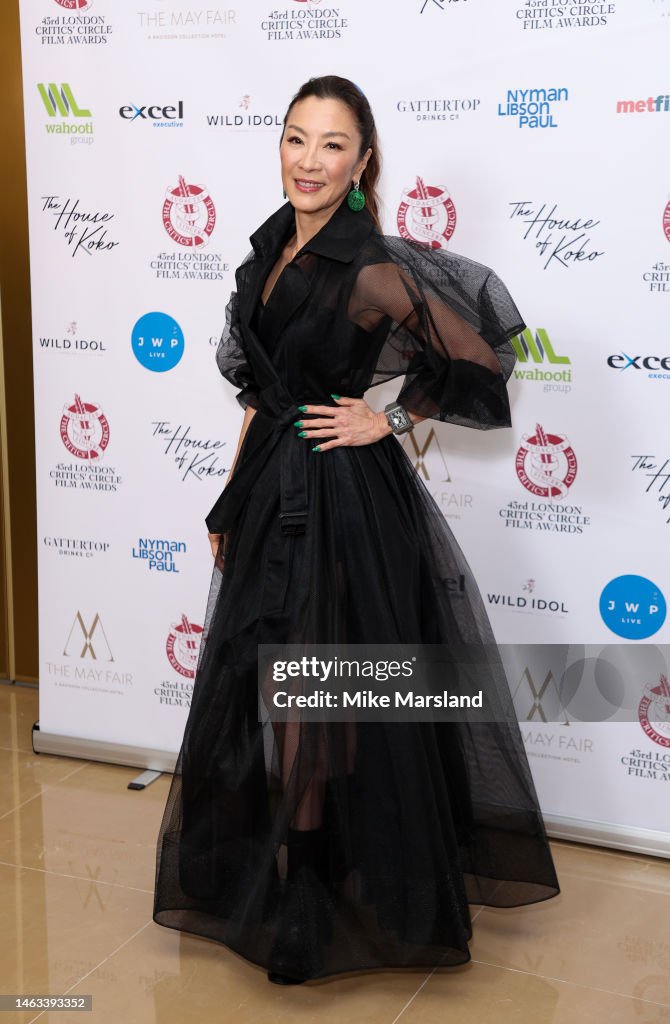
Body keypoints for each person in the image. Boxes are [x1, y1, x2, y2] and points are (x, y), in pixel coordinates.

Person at [153, 74, 560, 986]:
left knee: (320, 693)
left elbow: (481, 356)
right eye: (296, 138)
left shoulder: (372, 264)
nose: (309, 160)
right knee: (271, 683)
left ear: (362, 162)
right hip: (268, 492)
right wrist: (228, 497)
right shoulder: (263, 256)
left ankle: (311, 891)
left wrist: (395, 417)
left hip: (343, 500)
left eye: (332, 145)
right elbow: (261, 393)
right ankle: (294, 864)